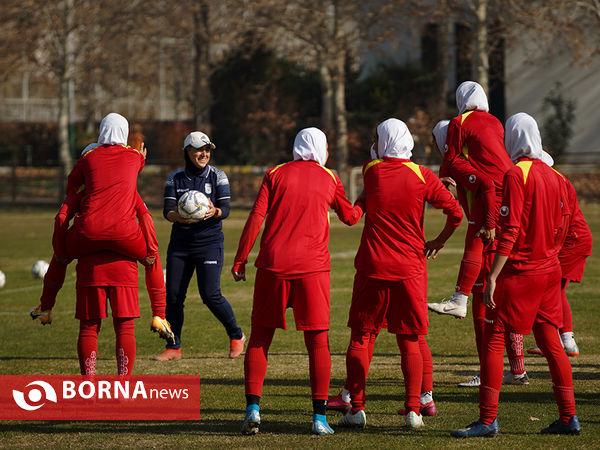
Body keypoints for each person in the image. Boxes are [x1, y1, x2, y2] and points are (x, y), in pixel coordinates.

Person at [452, 113, 580, 438]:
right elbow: (567, 225)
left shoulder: (515, 174)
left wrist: (493, 274)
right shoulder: (558, 177)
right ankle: (569, 417)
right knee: (551, 342)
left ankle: (487, 420)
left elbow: (509, 230)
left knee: (494, 339)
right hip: (550, 271)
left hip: (522, 271)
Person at [330, 119, 462, 430]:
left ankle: (357, 408)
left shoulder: (371, 170)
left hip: (373, 267)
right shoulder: (423, 175)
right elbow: (456, 213)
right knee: (412, 339)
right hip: (411, 269)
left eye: (376, 137)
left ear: (384, 141)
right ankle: (414, 409)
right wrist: (438, 241)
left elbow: (370, 196)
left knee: (362, 336)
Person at [231, 127, 363, 436]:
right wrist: (367, 197)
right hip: (312, 270)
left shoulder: (275, 173)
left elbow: (255, 218)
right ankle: (319, 418)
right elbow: (351, 217)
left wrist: (240, 259)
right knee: (317, 342)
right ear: (321, 148)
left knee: (261, 338)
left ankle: (253, 409)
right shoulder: (329, 177)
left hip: (273, 266)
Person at [31, 115, 173, 342]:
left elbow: (61, 216)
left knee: (59, 260)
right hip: (125, 235)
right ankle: (159, 315)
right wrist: (150, 250)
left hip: (87, 233)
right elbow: (145, 216)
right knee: (153, 260)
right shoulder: (134, 159)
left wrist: (61, 251)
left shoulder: (87, 161)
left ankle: (46, 307)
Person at [430, 120, 529, 388]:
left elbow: (474, 199)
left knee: (483, 308)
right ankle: (517, 369)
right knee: (502, 305)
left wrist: (487, 224)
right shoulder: (486, 159)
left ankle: (488, 373)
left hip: (488, 240)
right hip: (502, 234)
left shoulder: (465, 165)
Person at [154, 131, 244, 361]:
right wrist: (178, 217)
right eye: (198, 149)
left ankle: (236, 335)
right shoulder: (175, 178)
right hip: (181, 245)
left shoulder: (218, 176)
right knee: (173, 296)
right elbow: (167, 211)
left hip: (209, 243)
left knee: (210, 294)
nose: (204, 154)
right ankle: (174, 347)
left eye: (207, 150)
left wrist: (215, 212)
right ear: (187, 151)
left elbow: (226, 209)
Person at [428, 81, 513, 322]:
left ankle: (459, 299)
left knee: (476, 239)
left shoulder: (459, 122)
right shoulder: (495, 121)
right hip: (507, 186)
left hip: (491, 190)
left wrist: (441, 178)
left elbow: (453, 157)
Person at [528, 151, 593, 357]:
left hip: (571, 239)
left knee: (554, 289)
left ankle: (563, 340)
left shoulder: (555, 180)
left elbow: (559, 215)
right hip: (571, 237)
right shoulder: (556, 178)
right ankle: (561, 339)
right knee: (555, 290)